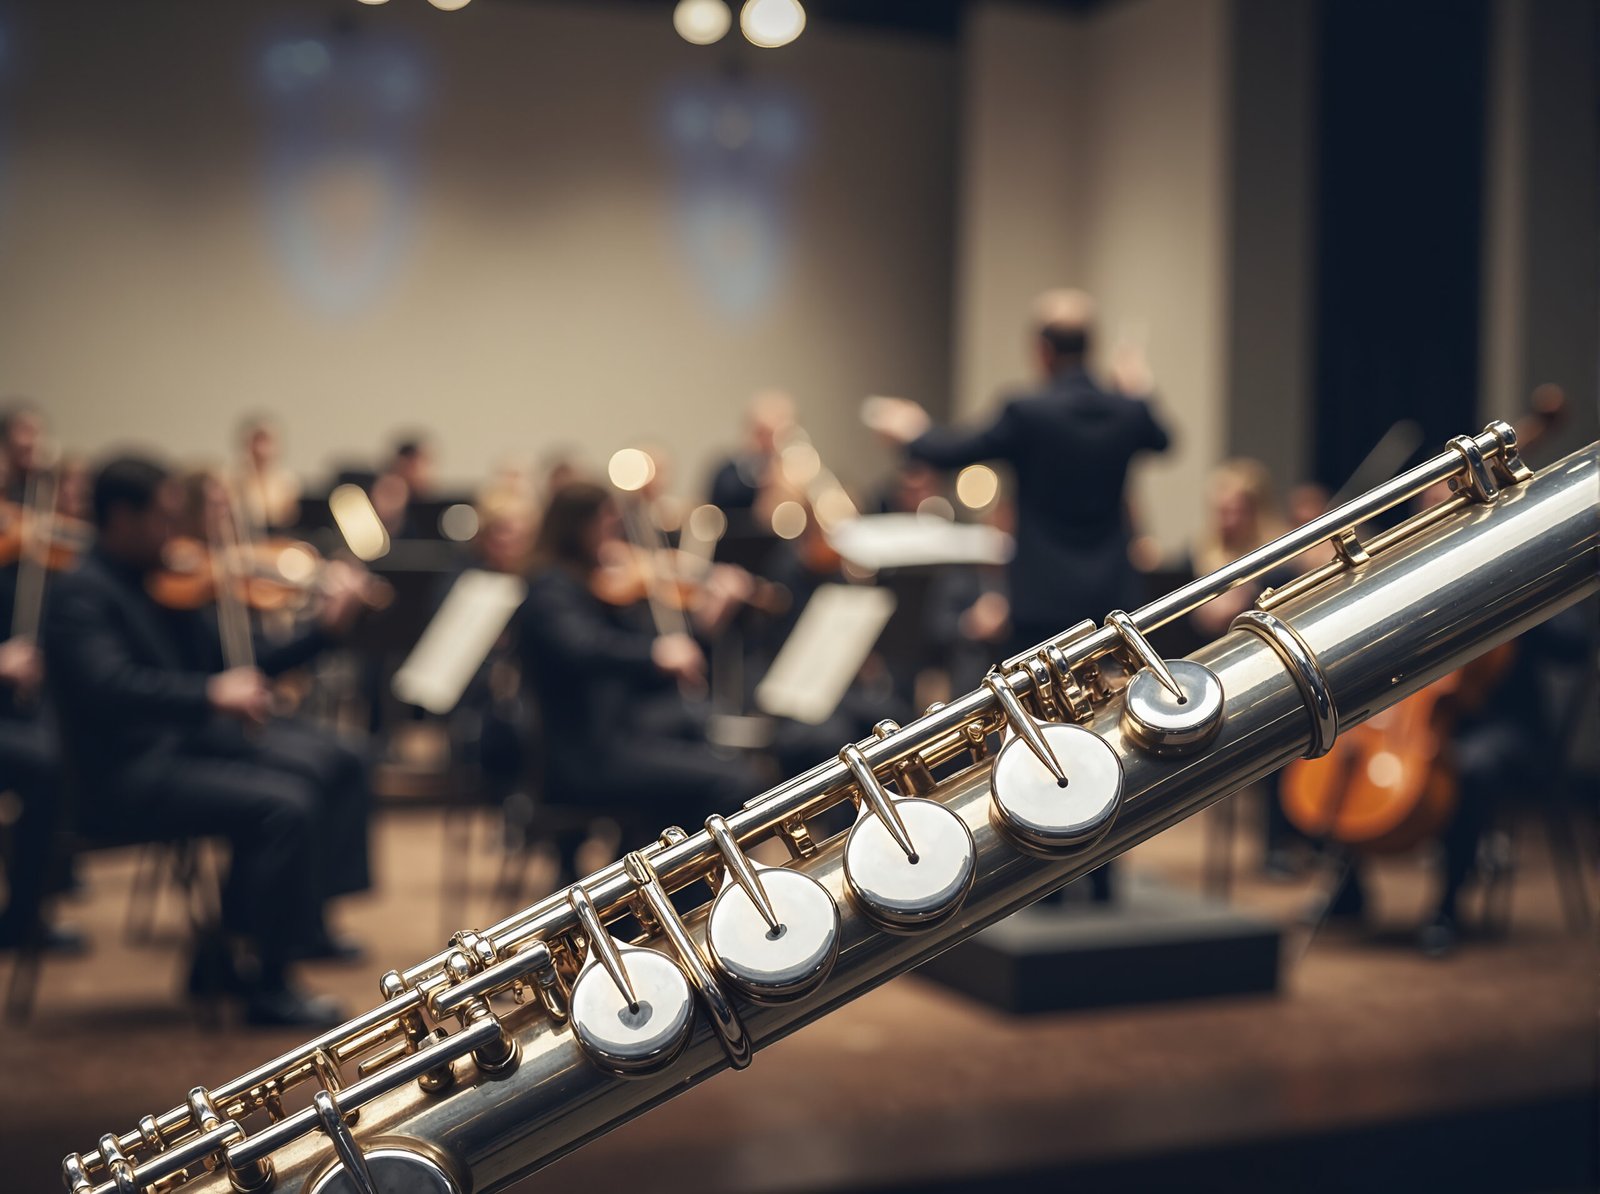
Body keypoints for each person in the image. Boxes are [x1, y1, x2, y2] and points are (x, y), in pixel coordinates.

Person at [43, 456, 372, 1026]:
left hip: (176, 752)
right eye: (162, 517)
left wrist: (321, 632)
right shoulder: (82, 592)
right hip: (119, 777)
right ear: (121, 516)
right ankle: (268, 984)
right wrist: (209, 696)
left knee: (304, 774)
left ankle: (227, 955)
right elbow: (109, 686)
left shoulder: (153, 584)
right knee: (281, 805)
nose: (175, 532)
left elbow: (235, 663)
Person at [867, 289, 1172, 659]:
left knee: (1038, 706)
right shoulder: (1125, 411)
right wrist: (1139, 391)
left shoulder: (1028, 412)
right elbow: (1163, 440)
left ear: (1042, 349)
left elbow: (952, 451)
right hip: (1109, 594)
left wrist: (912, 430)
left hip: (1041, 594)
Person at [517, 481, 760, 884]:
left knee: (693, 734)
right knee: (733, 782)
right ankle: (669, 897)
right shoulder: (550, 589)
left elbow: (644, 661)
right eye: (606, 523)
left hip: (616, 737)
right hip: (583, 758)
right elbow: (585, 648)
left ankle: (646, 885)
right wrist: (654, 654)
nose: (613, 535)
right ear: (578, 526)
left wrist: (701, 626)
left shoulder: (585, 583)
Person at [233, 415, 303, 533]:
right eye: (256, 440)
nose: (261, 449)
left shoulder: (288, 482)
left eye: (266, 441)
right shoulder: (234, 480)